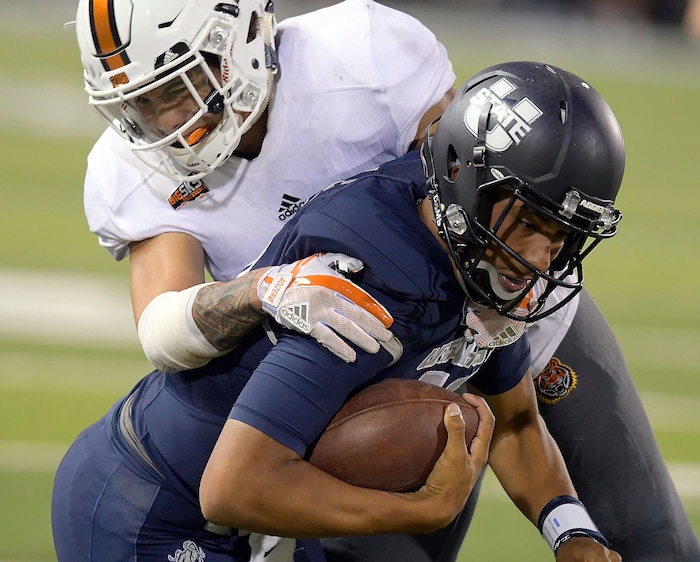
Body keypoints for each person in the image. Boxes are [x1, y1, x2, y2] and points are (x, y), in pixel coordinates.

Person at [72, 0, 700, 560]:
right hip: (354, 361)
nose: (163, 121)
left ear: (237, 39)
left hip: (491, 303)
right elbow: (165, 329)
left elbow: (483, 189)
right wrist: (263, 289)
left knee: (650, 539)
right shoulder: (132, 169)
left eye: (180, 87)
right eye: (140, 104)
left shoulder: (363, 58)